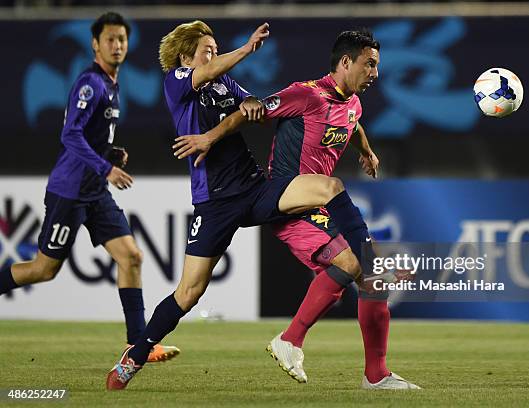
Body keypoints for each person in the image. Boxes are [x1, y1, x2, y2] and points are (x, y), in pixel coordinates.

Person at [106, 20, 376, 391]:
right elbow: (211, 72)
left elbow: (251, 104)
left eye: (216, 48)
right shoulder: (176, 80)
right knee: (189, 293)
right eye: (207, 49)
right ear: (186, 55)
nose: (214, 55)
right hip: (214, 202)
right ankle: (134, 356)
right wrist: (246, 50)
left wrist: (250, 103)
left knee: (329, 187)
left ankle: (366, 256)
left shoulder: (223, 82)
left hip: (254, 189)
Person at [172, 29, 420, 390]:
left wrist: (364, 149)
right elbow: (250, 111)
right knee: (358, 264)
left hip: (317, 202)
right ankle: (291, 339)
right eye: (369, 64)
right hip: (288, 198)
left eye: (376, 66)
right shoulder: (305, 94)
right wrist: (210, 136)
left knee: (371, 280)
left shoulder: (353, 104)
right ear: (346, 62)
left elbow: (351, 124)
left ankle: (376, 375)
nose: (375, 74)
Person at [0, 12, 179, 362]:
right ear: (95, 44)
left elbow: (86, 135)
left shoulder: (111, 83)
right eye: (110, 39)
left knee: (131, 256)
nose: (117, 45)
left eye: (122, 40)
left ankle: (137, 344)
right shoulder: (90, 83)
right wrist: (106, 166)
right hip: (70, 191)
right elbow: (69, 134)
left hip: (95, 190)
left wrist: (108, 153)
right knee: (43, 269)